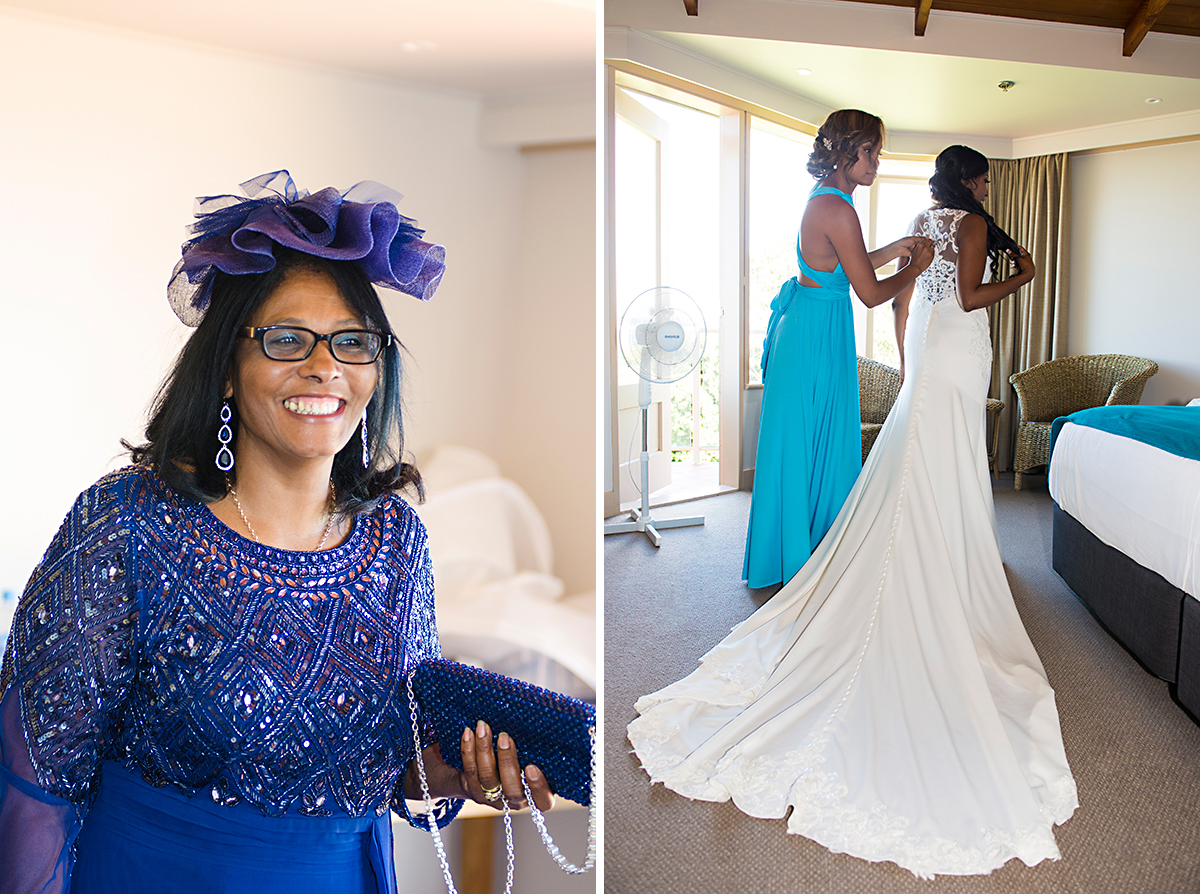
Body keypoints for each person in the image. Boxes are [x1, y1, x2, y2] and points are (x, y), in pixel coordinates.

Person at [0, 171, 554, 894]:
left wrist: (458, 770)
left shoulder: (398, 542)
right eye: (288, 339)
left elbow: (391, 768)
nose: (324, 367)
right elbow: (34, 779)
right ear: (228, 367)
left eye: (352, 342)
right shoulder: (126, 523)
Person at [630, 145, 1077, 878]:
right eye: (986, 175)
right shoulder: (968, 224)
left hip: (929, 357)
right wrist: (1021, 279)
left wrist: (907, 362)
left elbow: (907, 301)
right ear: (972, 177)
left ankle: (937, 549)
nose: (990, 184)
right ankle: (945, 559)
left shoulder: (921, 216)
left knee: (912, 465)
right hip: (959, 354)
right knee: (943, 463)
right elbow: (964, 298)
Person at [743, 109, 934, 589]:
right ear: (844, 150)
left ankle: (799, 552)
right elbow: (869, 293)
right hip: (814, 335)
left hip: (813, 325)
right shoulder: (838, 207)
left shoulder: (827, 200)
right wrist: (915, 267)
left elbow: (844, 265)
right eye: (868, 152)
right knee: (811, 439)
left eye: (877, 153)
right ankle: (804, 555)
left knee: (811, 439)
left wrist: (893, 249)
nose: (874, 163)